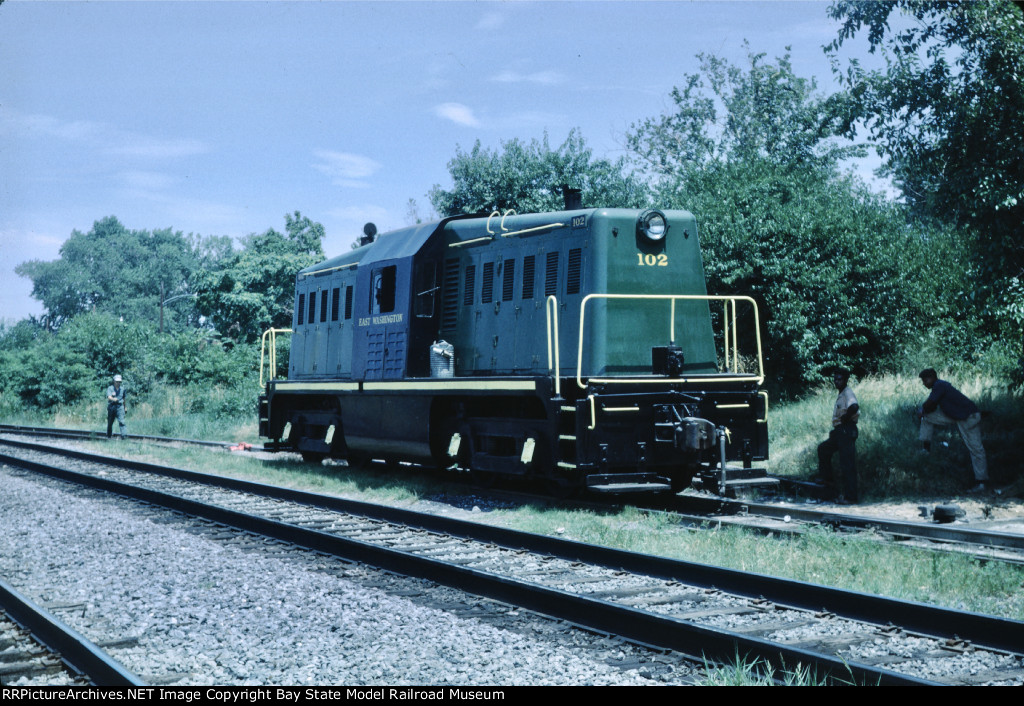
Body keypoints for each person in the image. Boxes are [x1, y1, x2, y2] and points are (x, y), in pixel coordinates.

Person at [918, 368, 989, 492]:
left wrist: (922, 409)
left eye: (924, 381)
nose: (924, 384)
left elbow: (930, 403)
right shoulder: (940, 386)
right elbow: (931, 407)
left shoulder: (939, 385)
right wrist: (924, 410)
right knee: (927, 417)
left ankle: (981, 483)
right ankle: (926, 449)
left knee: (976, 450)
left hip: (967, 417)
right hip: (958, 416)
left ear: (931, 378)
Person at [817, 367, 859, 504]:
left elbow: (854, 407)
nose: (836, 381)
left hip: (846, 429)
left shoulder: (848, 393)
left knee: (847, 464)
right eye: (835, 379)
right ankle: (828, 480)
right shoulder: (841, 394)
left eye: (839, 379)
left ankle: (851, 497)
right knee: (823, 449)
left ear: (846, 380)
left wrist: (846, 418)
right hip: (840, 431)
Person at [106, 374, 127, 439]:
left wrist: (125, 407)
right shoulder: (110, 388)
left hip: (120, 407)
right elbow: (109, 397)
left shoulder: (123, 389)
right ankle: (109, 436)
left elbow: (124, 399)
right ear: (114, 381)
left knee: (122, 421)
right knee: (110, 422)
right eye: (117, 382)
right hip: (112, 407)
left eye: (119, 382)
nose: (118, 383)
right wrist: (113, 399)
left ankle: (124, 436)